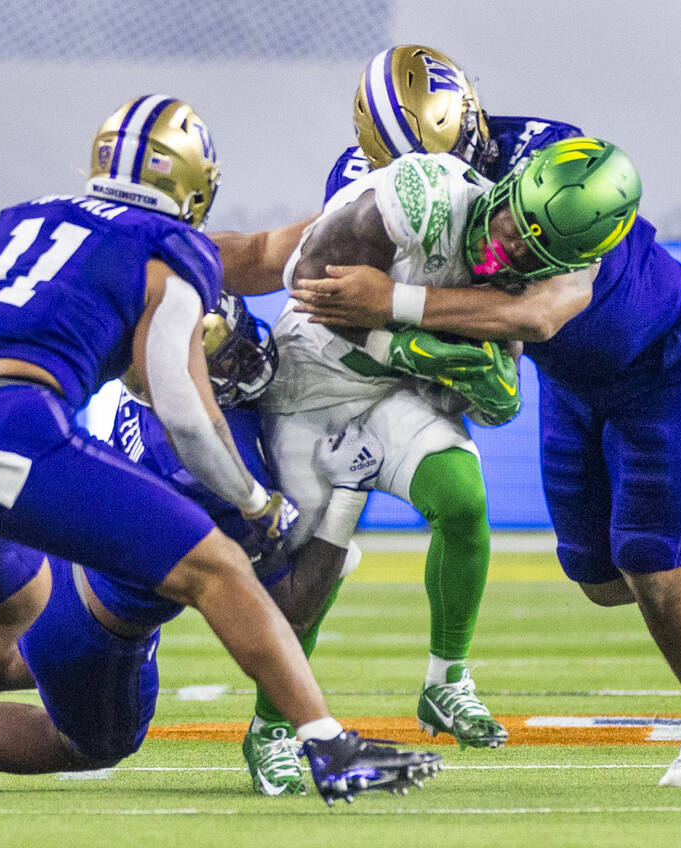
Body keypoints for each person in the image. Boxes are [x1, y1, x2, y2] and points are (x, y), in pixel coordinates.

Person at [0, 95, 441, 811]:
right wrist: (254, 502)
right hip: (9, 425)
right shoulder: (167, 249)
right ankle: (330, 747)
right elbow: (185, 409)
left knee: (8, 606)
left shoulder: (25, 216)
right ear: (195, 184)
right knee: (219, 566)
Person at [284, 54, 681, 787]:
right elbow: (307, 260)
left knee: (652, 568)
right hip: (574, 378)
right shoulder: (370, 191)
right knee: (602, 579)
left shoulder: (554, 161)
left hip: (662, 359)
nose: (431, 193)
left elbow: (541, 312)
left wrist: (393, 307)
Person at [0, 294, 370, 791]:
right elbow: (292, 609)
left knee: (11, 653)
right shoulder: (209, 465)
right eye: (220, 358)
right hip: (97, 625)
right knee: (91, 744)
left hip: (57, 562)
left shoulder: (135, 386)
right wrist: (344, 499)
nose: (246, 364)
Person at [211, 49, 517, 789]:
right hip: (315, 388)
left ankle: (448, 680)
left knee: (463, 500)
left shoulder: (486, 191)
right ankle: (273, 728)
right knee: (311, 564)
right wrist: (417, 345)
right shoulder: (381, 197)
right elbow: (317, 287)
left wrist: (479, 359)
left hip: (392, 385)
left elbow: (496, 311)